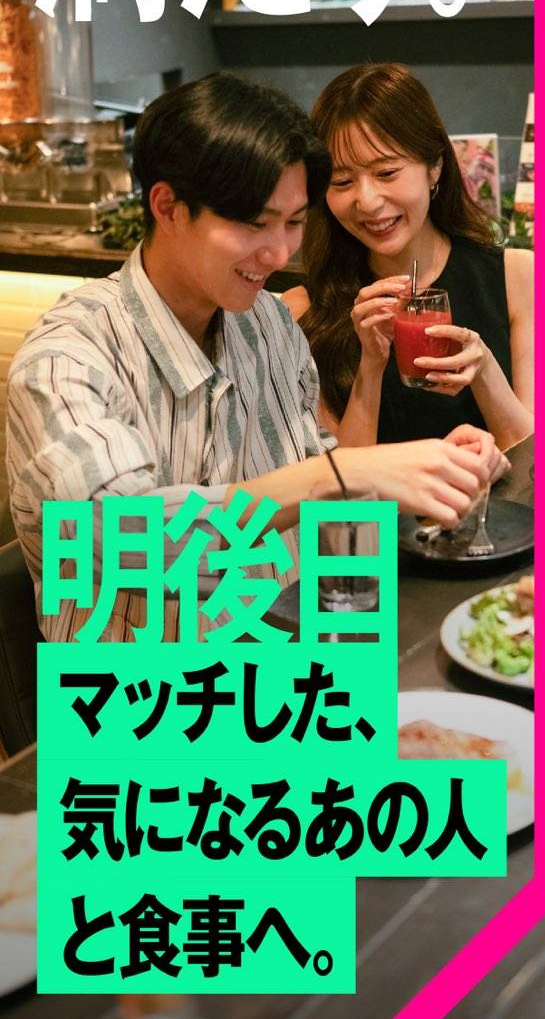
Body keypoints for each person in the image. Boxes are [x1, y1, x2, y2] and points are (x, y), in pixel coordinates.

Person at [7, 73, 504, 643]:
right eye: (254, 223)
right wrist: (340, 474)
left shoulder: (269, 324)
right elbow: (119, 537)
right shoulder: (66, 358)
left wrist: (431, 474)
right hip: (146, 689)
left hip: (295, 660)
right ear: (168, 207)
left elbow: (321, 519)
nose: (279, 252)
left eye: (294, 223)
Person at [283, 63, 533, 452]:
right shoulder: (303, 310)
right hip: (375, 497)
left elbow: (540, 461)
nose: (367, 201)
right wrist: (371, 365)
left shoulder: (519, 276)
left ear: (435, 167)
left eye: (386, 173)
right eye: (342, 181)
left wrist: (484, 369)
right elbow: (336, 480)